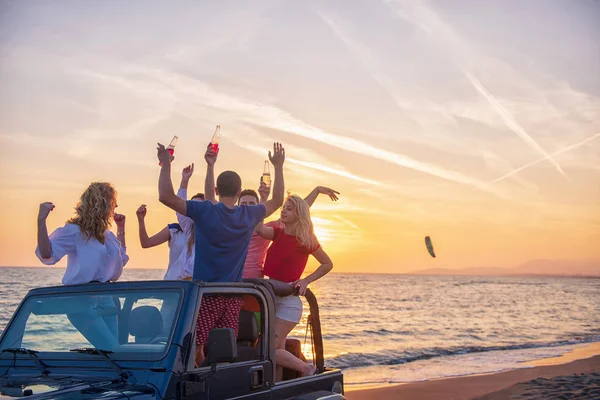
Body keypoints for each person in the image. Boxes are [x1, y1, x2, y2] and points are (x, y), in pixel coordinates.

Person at [157, 141, 286, 366]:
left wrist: (166, 164)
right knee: (225, 349)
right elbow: (276, 201)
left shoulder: (205, 211)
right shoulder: (247, 215)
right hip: (233, 296)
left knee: (195, 350)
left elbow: (166, 196)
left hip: (206, 294)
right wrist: (278, 166)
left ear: (217, 190)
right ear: (238, 192)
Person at [35, 181, 129, 349]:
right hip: (82, 300)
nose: (116, 206)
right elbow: (47, 254)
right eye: (113, 202)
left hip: (107, 298)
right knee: (112, 350)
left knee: (117, 352)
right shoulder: (75, 231)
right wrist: (41, 221)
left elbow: (121, 258)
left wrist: (121, 229)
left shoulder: (106, 235)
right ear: (102, 203)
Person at [255, 194, 334, 377]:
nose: (283, 211)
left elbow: (327, 264)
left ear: (299, 214)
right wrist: (263, 199)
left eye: (289, 209)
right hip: (270, 299)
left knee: (265, 349)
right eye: (284, 207)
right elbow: (258, 227)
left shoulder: (306, 241)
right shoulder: (277, 233)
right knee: (274, 358)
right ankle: (278, 391)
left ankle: (307, 368)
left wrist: (306, 280)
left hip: (289, 303)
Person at [237, 184, 339, 279]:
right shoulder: (229, 226)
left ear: (257, 206)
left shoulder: (269, 229)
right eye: (243, 203)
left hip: (254, 282)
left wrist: (316, 191)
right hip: (231, 280)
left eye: (252, 204)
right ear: (237, 207)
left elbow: (298, 210)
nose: (247, 207)